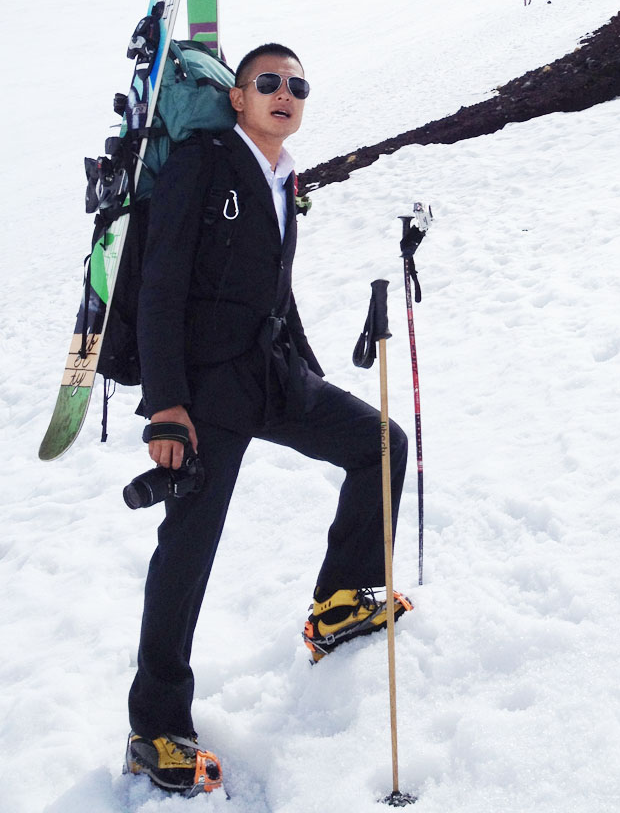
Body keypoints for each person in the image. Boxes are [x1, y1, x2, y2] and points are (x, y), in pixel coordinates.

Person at [124, 42, 410, 797]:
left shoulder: (284, 177)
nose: (286, 92)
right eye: (269, 82)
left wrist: (306, 373)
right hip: (206, 390)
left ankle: (342, 601)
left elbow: (275, 293)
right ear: (239, 98)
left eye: (298, 84)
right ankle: (155, 727)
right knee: (189, 547)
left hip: (271, 376)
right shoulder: (204, 161)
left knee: (381, 443)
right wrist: (166, 404)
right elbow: (161, 285)